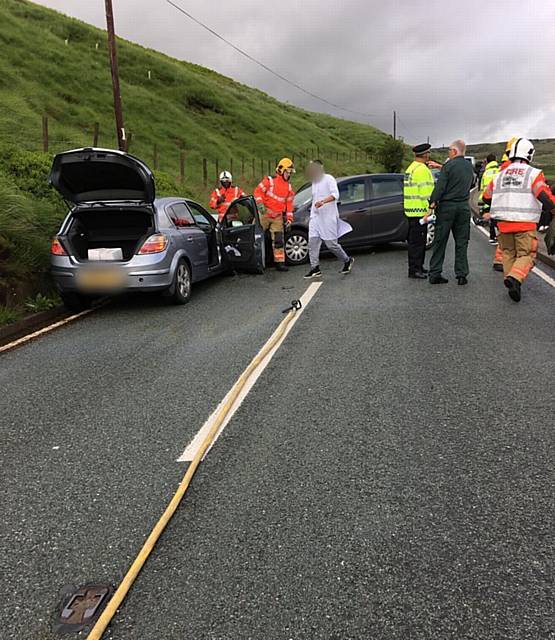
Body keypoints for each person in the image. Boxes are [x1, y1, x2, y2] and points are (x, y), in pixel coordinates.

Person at [482, 138, 555, 302]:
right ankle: (515, 278)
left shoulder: (499, 175)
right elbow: (544, 196)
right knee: (526, 255)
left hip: (503, 224)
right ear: (529, 154)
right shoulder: (533, 174)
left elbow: (486, 197)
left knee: (508, 253)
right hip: (524, 223)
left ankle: (513, 284)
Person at [427, 139, 475, 285]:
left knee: (440, 240)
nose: (448, 152)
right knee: (462, 241)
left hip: (447, 207)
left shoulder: (448, 166)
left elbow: (440, 187)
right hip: (463, 207)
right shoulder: (469, 167)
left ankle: (435, 273)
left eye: (449, 150)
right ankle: (462, 275)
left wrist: (433, 202)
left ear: (454, 151)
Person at [303, 160, 354, 278]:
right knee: (313, 243)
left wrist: (323, 202)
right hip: (315, 217)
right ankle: (315, 268)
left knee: (331, 245)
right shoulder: (314, 182)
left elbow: (335, 194)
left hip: (328, 217)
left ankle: (347, 260)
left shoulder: (329, 179)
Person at [254, 158, 296, 272]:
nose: (289, 174)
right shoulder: (269, 181)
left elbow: (289, 205)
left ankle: (279, 263)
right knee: (256, 237)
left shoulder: (289, 187)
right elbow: (257, 192)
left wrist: (289, 219)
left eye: (290, 172)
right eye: (288, 172)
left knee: (278, 240)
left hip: (277, 217)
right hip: (264, 214)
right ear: (281, 170)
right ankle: (254, 261)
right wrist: (260, 204)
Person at [403, 143, 435, 279]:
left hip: (411, 210)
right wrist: (431, 208)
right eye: (428, 153)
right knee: (418, 243)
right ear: (426, 154)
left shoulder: (411, 168)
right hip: (420, 212)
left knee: (416, 242)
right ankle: (415, 270)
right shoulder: (422, 170)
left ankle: (418, 267)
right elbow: (426, 192)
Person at [479, 153, 503, 271]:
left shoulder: (486, 173)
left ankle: (492, 236)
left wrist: (481, 202)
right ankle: (496, 236)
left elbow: (482, 188)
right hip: (498, 200)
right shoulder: (500, 171)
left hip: (487, 198)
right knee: (496, 218)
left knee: (490, 217)